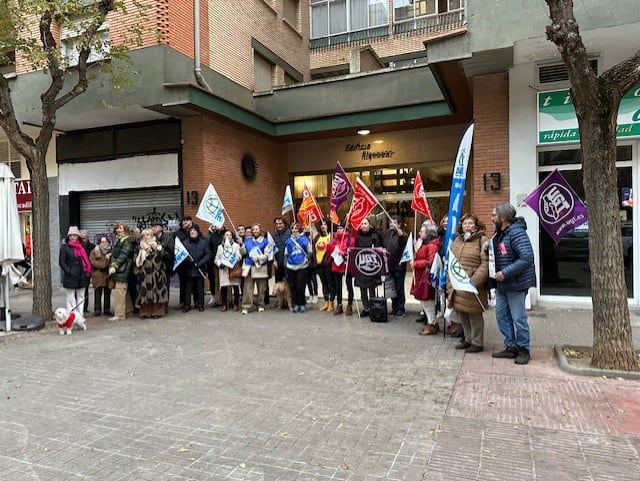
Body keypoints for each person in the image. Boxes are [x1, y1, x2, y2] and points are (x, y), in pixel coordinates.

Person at [490, 204, 537, 365]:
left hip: (515, 283)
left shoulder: (516, 233)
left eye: (494, 215)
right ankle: (510, 346)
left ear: (503, 218)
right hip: (503, 284)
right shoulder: (501, 234)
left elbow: (526, 257)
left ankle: (523, 349)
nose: (491, 218)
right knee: (501, 315)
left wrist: (505, 273)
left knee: (518, 318)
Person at [446, 214, 489, 353]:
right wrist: (449, 280)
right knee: (462, 313)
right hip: (457, 285)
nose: (467, 226)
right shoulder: (457, 240)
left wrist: (475, 280)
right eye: (465, 223)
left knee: (474, 315)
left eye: (470, 223)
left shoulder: (482, 241)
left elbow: (486, 263)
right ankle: (468, 339)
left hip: (472, 285)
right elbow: (451, 261)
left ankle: (477, 342)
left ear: (476, 225)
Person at [410, 221, 441, 335]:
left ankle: (432, 323)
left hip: (426, 277)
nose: (419, 233)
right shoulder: (425, 244)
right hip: (421, 276)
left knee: (428, 302)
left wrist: (416, 264)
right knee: (425, 301)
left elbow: (430, 261)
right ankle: (432, 322)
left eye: (422, 231)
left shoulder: (431, 245)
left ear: (428, 233)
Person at [134, 228, 169, 319]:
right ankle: (145, 312)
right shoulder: (139, 247)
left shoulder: (158, 245)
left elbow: (165, 257)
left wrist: (159, 249)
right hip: (144, 274)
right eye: (144, 235)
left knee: (157, 293)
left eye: (148, 235)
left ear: (152, 236)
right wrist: (138, 272)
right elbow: (135, 260)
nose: (145, 237)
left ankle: (157, 312)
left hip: (157, 273)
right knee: (144, 294)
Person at [59, 226, 92, 315]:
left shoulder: (82, 247)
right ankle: (71, 315)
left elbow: (86, 261)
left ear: (78, 236)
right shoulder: (64, 248)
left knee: (81, 297)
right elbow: (62, 262)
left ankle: (80, 315)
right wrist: (69, 271)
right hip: (71, 276)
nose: (72, 237)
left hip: (82, 276)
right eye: (70, 235)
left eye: (74, 235)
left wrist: (87, 272)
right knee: (70, 297)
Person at [353, 217, 382, 317]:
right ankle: (366, 308)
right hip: (361, 268)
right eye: (362, 224)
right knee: (362, 290)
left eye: (365, 224)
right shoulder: (358, 237)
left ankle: (373, 307)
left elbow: (379, 250)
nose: (363, 226)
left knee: (372, 289)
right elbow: (355, 250)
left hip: (372, 268)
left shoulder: (376, 235)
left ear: (369, 225)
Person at [381, 215, 409, 318]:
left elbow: (402, 241)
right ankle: (394, 307)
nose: (391, 224)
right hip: (389, 265)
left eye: (394, 223)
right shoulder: (386, 234)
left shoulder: (403, 235)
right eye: (390, 222)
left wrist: (398, 230)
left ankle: (400, 308)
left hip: (399, 266)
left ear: (399, 224)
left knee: (399, 288)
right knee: (391, 288)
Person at [240, 223, 270, 314]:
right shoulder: (247, 241)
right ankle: (247, 306)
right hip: (249, 266)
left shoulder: (265, 241)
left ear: (260, 230)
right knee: (247, 288)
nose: (255, 231)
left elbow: (267, 254)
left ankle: (260, 304)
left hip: (260, 266)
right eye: (254, 229)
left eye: (257, 229)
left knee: (261, 288)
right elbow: (243, 253)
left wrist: (259, 258)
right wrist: (241, 245)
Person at [108, 222, 135, 321]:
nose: (119, 230)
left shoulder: (126, 241)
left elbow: (124, 254)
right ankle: (128, 310)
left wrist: (115, 266)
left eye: (121, 228)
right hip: (121, 269)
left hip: (123, 269)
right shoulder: (120, 240)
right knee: (124, 291)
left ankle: (119, 315)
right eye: (117, 228)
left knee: (119, 291)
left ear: (125, 229)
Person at [181, 225, 211, 312]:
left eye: (194, 230)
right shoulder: (185, 243)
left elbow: (208, 254)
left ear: (197, 232)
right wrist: (188, 261)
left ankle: (200, 304)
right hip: (188, 269)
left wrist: (200, 263)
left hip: (200, 269)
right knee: (188, 289)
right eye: (191, 231)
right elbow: (182, 254)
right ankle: (187, 305)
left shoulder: (204, 242)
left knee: (200, 288)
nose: (192, 232)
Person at [327, 225, 355, 315]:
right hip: (336, 265)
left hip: (347, 266)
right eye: (338, 228)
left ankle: (349, 305)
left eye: (341, 228)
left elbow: (352, 252)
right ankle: (339, 305)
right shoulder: (334, 240)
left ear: (346, 229)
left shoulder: (351, 239)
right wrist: (329, 245)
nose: (339, 230)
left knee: (349, 286)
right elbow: (329, 253)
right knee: (338, 287)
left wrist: (343, 253)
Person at [285, 222, 313, 313]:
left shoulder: (304, 239)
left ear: (299, 229)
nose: (294, 230)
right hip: (291, 266)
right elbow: (286, 253)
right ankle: (295, 304)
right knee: (293, 287)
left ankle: (302, 304)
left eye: (296, 228)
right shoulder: (288, 241)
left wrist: (306, 258)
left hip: (302, 266)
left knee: (300, 287)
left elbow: (310, 251)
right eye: (292, 228)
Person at [174, 216, 198, 309]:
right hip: (183, 263)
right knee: (183, 283)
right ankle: (182, 301)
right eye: (184, 221)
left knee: (195, 283)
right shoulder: (177, 233)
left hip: (194, 262)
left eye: (187, 221)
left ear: (191, 222)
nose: (185, 222)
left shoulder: (195, 230)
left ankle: (196, 301)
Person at [215, 229, 242, 311]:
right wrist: (220, 264)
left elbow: (239, 256)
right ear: (224, 236)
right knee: (223, 288)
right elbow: (217, 258)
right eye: (226, 235)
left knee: (235, 287)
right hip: (224, 270)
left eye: (230, 235)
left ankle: (236, 304)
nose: (228, 236)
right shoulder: (220, 247)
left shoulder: (236, 246)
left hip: (233, 268)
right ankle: (224, 305)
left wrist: (232, 261)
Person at [151, 219, 174, 313]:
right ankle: (156, 306)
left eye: (155, 226)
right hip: (153, 267)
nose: (153, 228)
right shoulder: (150, 237)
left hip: (165, 267)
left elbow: (171, 253)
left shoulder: (168, 238)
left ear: (161, 228)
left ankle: (164, 305)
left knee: (164, 286)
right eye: (152, 226)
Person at [89, 236, 112, 316]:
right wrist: (103, 265)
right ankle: (97, 310)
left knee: (107, 293)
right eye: (102, 241)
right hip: (98, 274)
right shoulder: (95, 251)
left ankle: (107, 309)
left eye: (105, 241)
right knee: (97, 293)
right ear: (99, 242)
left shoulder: (110, 251)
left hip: (107, 275)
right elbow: (92, 261)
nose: (104, 243)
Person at [314, 221, 333, 311]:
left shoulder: (332, 236)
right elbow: (314, 250)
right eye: (321, 224)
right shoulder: (317, 237)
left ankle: (332, 302)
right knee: (324, 283)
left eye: (325, 224)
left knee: (330, 283)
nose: (323, 226)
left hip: (328, 264)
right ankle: (326, 302)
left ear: (328, 226)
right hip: (319, 264)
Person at [206, 224, 225, 307]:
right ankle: (218, 300)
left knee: (226, 282)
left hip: (226, 263)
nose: (218, 227)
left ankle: (228, 299)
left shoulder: (227, 234)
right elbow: (209, 249)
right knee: (217, 282)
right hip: (215, 263)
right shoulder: (212, 236)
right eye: (216, 225)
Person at [79, 229, 95, 314]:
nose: (83, 237)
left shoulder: (92, 246)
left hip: (88, 271)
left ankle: (85, 307)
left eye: (85, 235)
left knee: (85, 289)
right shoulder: (77, 246)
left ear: (87, 236)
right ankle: (79, 307)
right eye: (81, 236)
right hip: (78, 271)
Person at [271, 217, 291, 283]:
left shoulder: (290, 233)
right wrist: (274, 260)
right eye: (277, 224)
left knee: (288, 282)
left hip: (288, 263)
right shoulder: (273, 234)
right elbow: (271, 249)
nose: (278, 225)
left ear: (284, 224)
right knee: (278, 283)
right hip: (278, 263)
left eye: (280, 223)